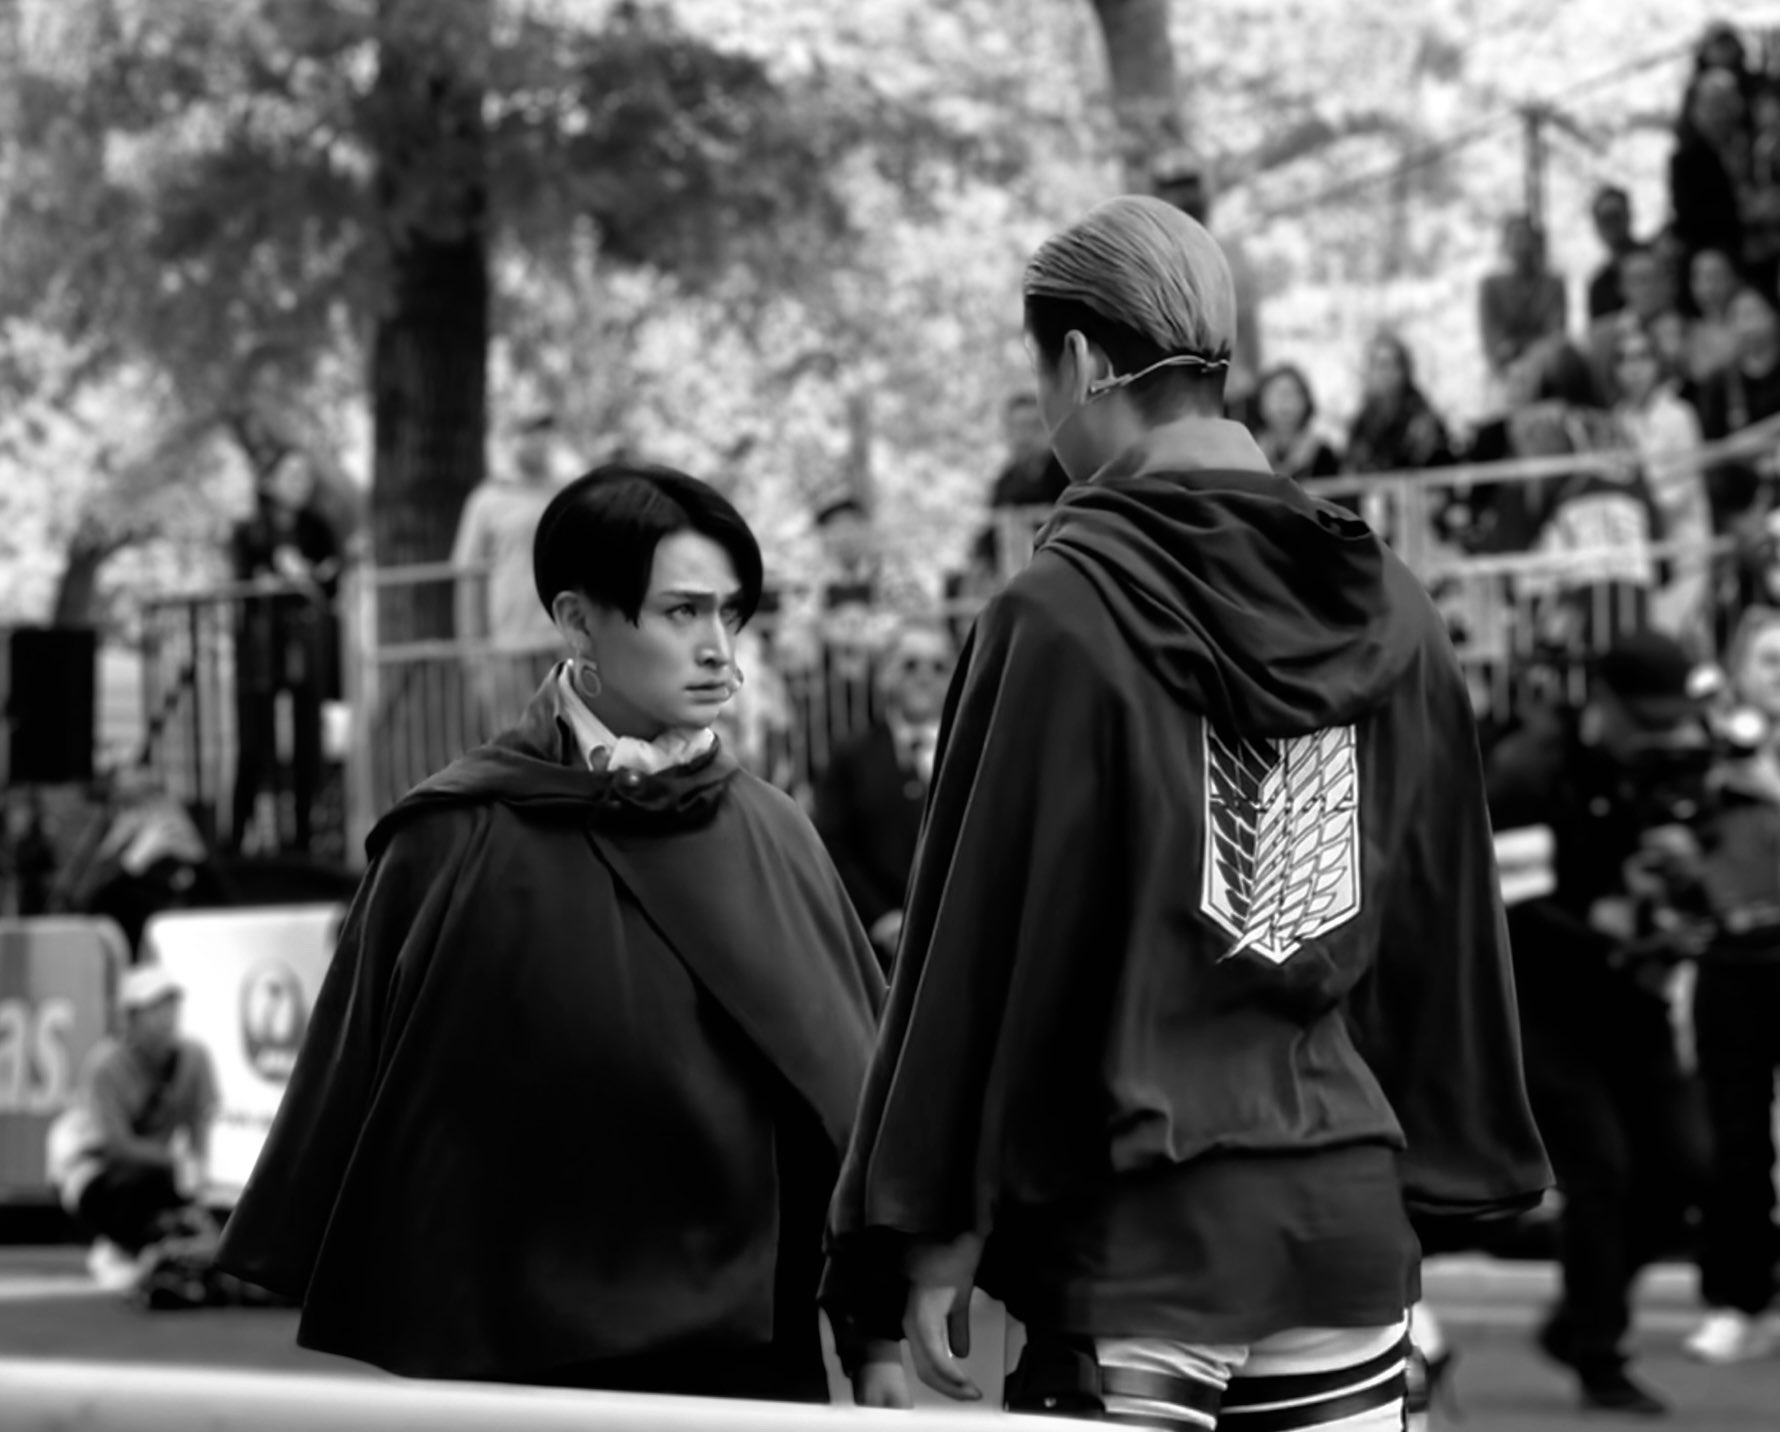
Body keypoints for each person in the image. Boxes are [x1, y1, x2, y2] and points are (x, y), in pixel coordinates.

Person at [827, 196, 1550, 1431]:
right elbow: (1440, 916)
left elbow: (983, 941)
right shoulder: (1393, 606)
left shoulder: (1058, 615)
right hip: (1341, 1211)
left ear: (1079, 362)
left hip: (1136, 1229)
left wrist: (919, 1224)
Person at [217, 462, 906, 1406]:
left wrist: (875, 1339)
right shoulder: (450, 838)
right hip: (510, 1368)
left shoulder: (777, 834)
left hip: (748, 1362)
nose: (719, 650)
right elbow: (376, 1117)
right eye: (682, 612)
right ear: (578, 621)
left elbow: (850, 1102)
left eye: (731, 615)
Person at [1488, 630, 1715, 1415]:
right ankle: (1600, 1352)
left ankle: (1583, 1311)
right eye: (1647, 723)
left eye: (1673, 723)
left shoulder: (1674, 760)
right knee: (1601, 1170)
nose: (1662, 739)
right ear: (1605, 703)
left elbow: (1706, 858)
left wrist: (1686, 872)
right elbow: (1513, 908)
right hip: (1547, 1002)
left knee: (1687, 1168)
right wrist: (1605, 930)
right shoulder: (1527, 771)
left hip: (1632, 997)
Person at [1684, 607, 1780, 1364]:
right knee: (1735, 1141)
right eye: (1767, 661)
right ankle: (1738, 1298)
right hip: (1733, 958)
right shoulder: (1708, 749)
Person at [46, 967, 219, 1290]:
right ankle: (117, 1247)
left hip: (154, 1172)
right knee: (137, 1186)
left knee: (186, 1208)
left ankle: (152, 1250)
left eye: (170, 1006)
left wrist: (197, 1179)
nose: (165, 1017)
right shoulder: (105, 1066)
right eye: (154, 1009)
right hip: (93, 1173)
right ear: (130, 1018)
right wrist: (177, 1164)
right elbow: (116, 1147)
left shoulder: (195, 1058)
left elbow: (199, 1124)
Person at [813, 618, 956, 973]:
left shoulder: (976, 753)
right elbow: (833, 847)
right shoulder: (851, 757)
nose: (925, 676)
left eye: (938, 666)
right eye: (911, 664)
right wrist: (881, 918)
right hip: (879, 955)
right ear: (886, 673)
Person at [229, 453, 342, 854]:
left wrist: (299, 580)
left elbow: (331, 583)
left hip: (306, 647)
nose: (301, 483)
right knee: (254, 742)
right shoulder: (248, 531)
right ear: (270, 480)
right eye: (292, 474)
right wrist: (291, 580)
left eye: (306, 476)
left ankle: (304, 836)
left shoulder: (318, 529)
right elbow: (245, 583)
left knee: (307, 743)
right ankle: (238, 835)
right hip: (260, 650)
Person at [451, 410, 564, 728]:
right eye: (528, 432)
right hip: (508, 650)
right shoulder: (486, 500)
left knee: (571, 743)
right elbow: (469, 578)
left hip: (562, 645)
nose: (538, 441)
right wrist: (472, 653)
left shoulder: (565, 494)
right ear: (510, 440)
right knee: (517, 741)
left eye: (543, 432)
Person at [1252, 363, 1340, 483]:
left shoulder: (1323, 455)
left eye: (1292, 393)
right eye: (1277, 393)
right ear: (1260, 403)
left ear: (1306, 402)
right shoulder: (1249, 452)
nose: (1284, 401)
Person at [1587, 186, 1639, 323]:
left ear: (1628, 216)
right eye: (1605, 219)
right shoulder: (1599, 286)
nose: (1611, 224)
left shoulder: (1654, 263)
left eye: (1616, 216)